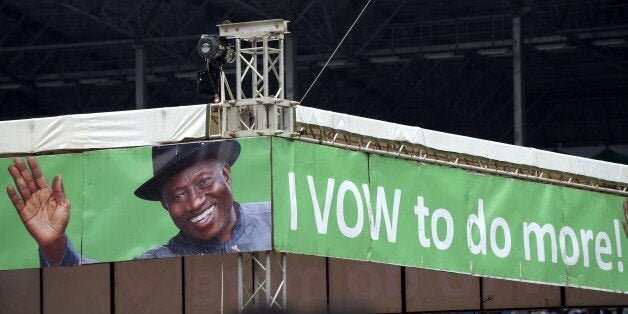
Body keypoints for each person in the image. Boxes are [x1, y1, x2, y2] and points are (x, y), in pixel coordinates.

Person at [6, 140, 271, 266]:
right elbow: (102, 288)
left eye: (203, 182)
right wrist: (54, 245)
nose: (194, 202)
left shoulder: (277, 222)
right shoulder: (159, 264)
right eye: (177, 197)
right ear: (166, 206)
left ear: (225, 174)